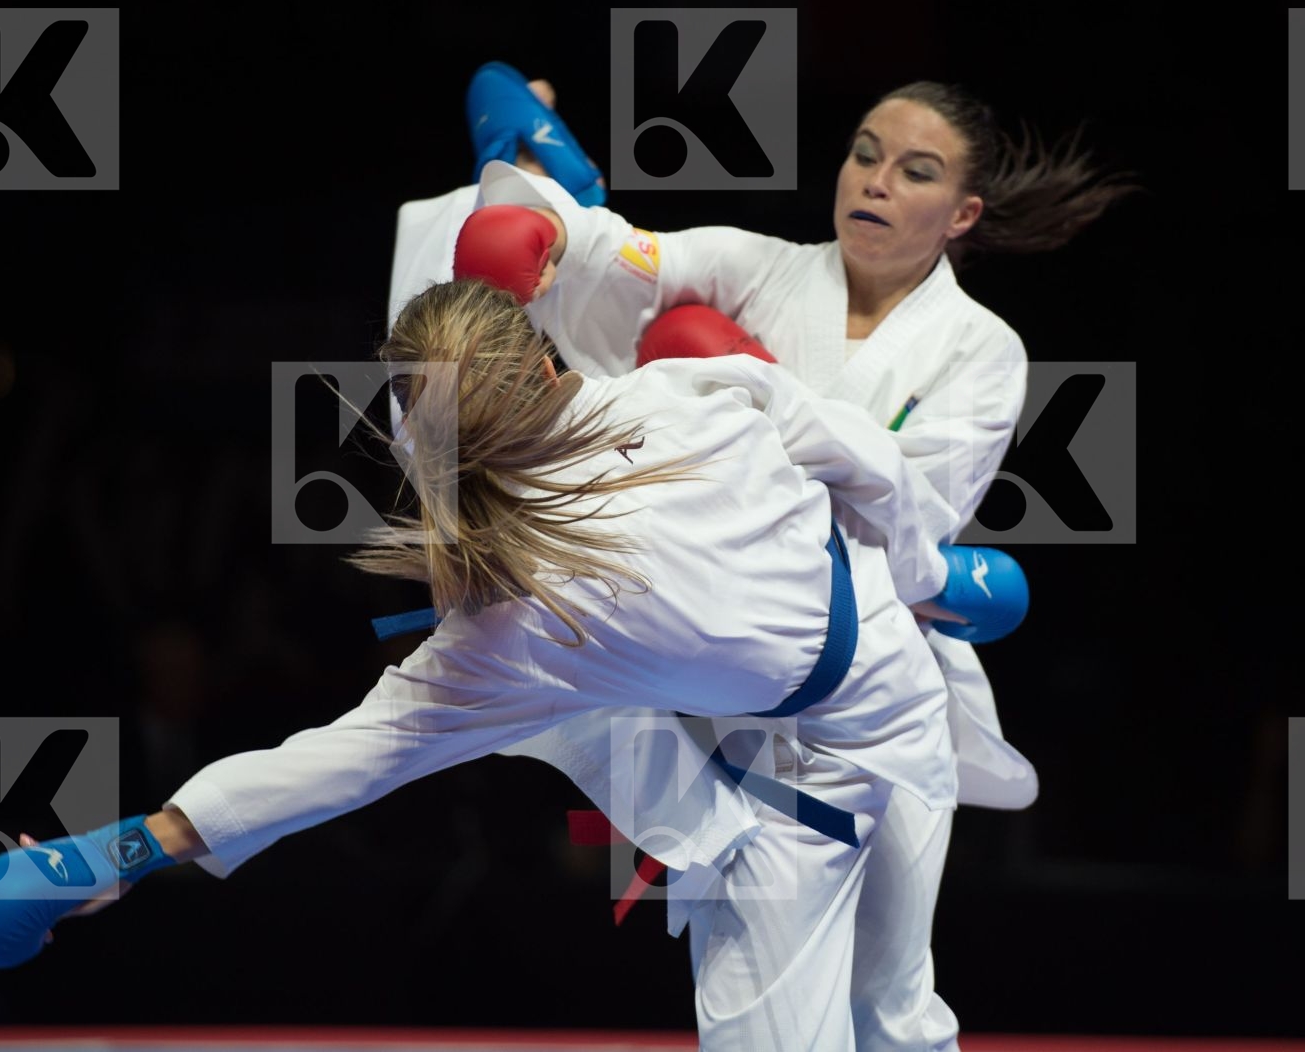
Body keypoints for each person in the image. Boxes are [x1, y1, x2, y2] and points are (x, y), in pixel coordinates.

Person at [0, 277, 1025, 1050]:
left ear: (430, 446)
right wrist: (935, 577)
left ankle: (725, 841)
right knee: (898, 1014)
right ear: (549, 357)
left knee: (876, 1014)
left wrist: (124, 850)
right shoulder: (702, 389)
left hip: (818, 763)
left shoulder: (507, 638)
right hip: (881, 669)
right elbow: (865, 460)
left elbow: (338, 764)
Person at [387, 68, 1137, 1047]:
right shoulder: (758, 265)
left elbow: (908, 523)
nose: (875, 180)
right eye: (865, 152)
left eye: (915, 171)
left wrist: (761, 401)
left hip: (881, 686)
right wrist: (541, 208)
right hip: (727, 666)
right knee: (756, 991)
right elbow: (617, 256)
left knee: (891, 1002)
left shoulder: (981, 349)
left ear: (963, 213)